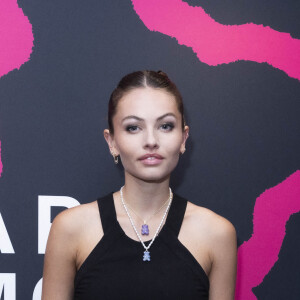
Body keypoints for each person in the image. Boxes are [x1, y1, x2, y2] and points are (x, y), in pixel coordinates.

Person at [41, 70, 237, 299]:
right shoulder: (70, 228)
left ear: (183, 138)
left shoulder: (216, 234)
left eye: (165, 126)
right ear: (111, 141)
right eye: (133, 127)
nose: (151, 141)